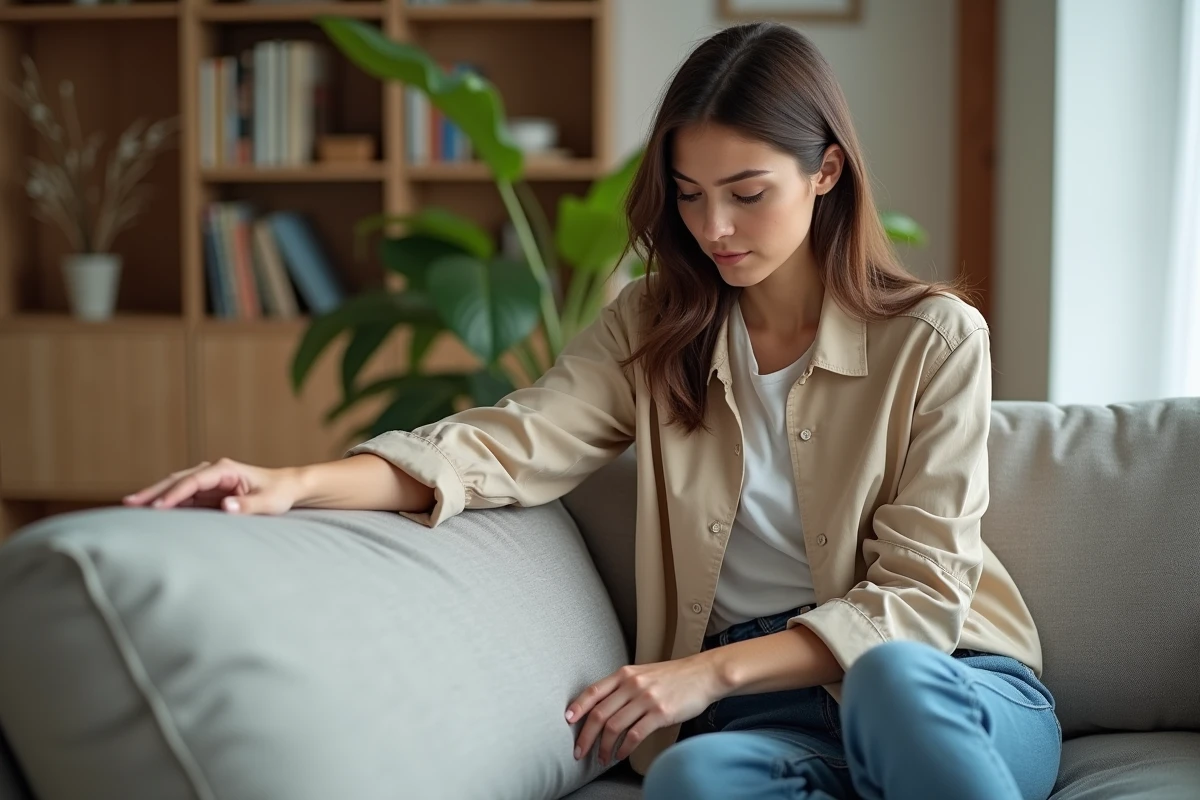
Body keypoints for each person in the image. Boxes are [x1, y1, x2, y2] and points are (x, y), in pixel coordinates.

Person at [124, 21, 1061, 800]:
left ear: (826, 173)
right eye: (690, 196)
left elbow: (923, 597)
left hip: (950, 686)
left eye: (747, 194)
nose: (714, 229)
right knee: (692, 781)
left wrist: (706, 673)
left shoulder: (935, 339)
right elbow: (510, 440)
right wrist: (294, 482)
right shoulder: (654, 324)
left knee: (890, 684)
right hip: (774, 723)